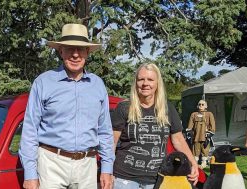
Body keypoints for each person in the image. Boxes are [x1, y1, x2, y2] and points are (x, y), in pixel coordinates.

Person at [19, 24, 114, 189]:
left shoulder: (98, 85)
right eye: (70, 49)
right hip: (51, 163)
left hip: (87, 165)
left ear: (87, 53)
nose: (75, 54)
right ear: (61, 51)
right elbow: (29, 130)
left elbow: (105, 131)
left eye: (80, 49)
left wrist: (107, 168)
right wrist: (30, 174)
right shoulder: (43, 82)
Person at [111, 63, 199, 189]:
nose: (145, 83)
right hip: (124, 178)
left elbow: (178, 140)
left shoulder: (167, 108)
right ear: (136, 82)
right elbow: (111, 142)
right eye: (141, 79)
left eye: (150, 79)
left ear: (157, 83)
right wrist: (107, 171)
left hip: (157, 178)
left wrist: (193, 163)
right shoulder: (124, 107)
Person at [187, 100, 215, 169]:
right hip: (196, 136)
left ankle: (204, 163)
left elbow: (213, 125)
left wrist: (209, 134)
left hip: (205, 136)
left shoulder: (209, 114)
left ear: (206, 106)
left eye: (203, 104)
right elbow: (190, 126)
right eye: (199, 104)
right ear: (197, 105)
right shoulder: (193, 114)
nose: (201, 106)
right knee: (195, 150)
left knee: (205, 149)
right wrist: (190, 133)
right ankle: (194, 163)